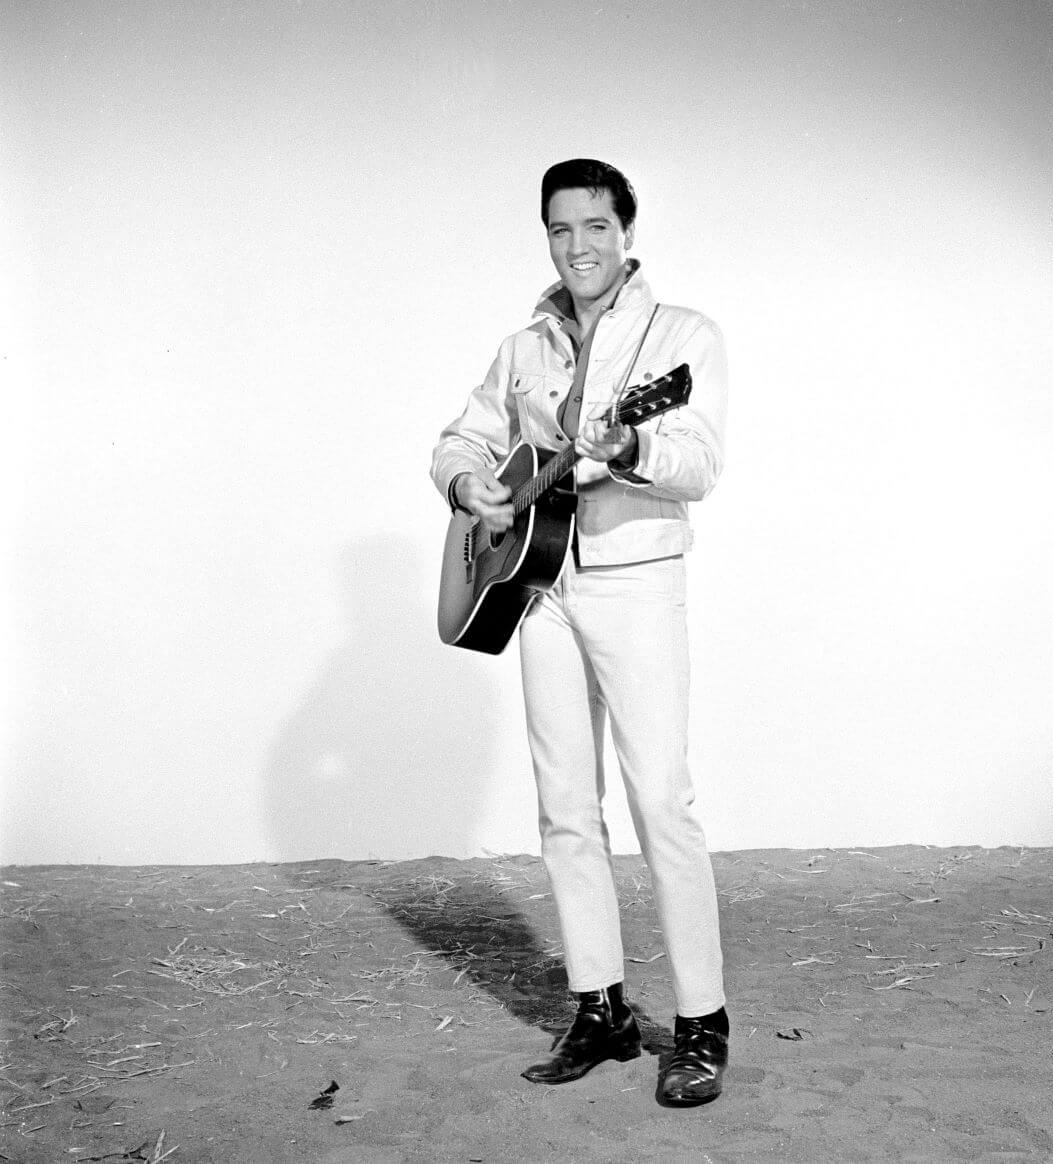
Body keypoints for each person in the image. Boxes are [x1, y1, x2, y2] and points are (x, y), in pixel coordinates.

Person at [430, 158, 729, 1106]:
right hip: (541, 587)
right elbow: (461, 438)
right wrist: (467, 485)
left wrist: (630, 443)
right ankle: (599, 1009)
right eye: (561, 230)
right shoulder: (525, 347)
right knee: (565, 805)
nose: (578, 246)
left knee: (661, 805)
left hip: (636, 585)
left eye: (595, 227)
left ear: (626, 231)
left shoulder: (683, 338)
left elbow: (700, 461)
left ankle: (700, 1021)